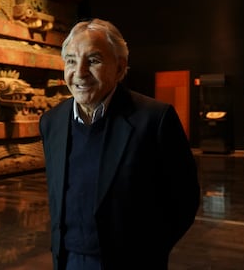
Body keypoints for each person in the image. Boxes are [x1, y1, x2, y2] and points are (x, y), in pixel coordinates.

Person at [39, 18, 200, 270]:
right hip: (69, 260)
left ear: (120, 67)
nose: (79, 72)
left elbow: (184, 199)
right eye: (71, 60)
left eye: (93, 60)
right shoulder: (51, 122)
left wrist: (148, 252)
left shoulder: (154, 119)